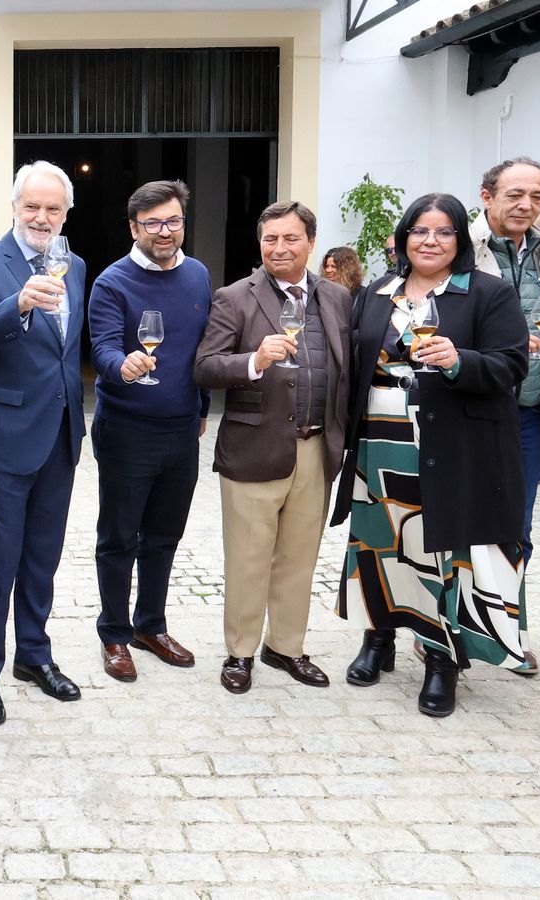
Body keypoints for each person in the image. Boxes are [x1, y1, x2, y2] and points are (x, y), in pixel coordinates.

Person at [331, 192, 529, 718]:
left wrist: (460, 361)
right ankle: (379, 638)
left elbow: (512, 366)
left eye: (444, 232)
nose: (431, 241)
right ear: (403, 238)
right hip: (379, 446)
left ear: (460, 239)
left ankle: (442, 659)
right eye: (420, 231)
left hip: (450, 447)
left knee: (439, 552)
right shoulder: (377, 291)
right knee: (379, 542)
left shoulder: (487, 292)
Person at [194, 201, 351, 693]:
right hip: (254, 447)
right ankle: (240, 651)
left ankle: (285, 646)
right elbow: (205, 366)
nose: (279, 248)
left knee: (299, 558)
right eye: (270, 239)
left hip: (316, 447)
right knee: (248, 558)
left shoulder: (337, 298)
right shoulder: (234, 298)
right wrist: (253, 361)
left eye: (290, 238)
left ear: (311, 242)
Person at [0, 160, 86, 725]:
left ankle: (34, 655)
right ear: (14, 207)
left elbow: (66, 351)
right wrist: (20, 304)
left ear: (65, 214)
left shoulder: (75, 264)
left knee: (42, 558)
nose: (41, 217)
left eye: (53, 208)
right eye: (32, 206)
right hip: (3, 438)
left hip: (59, 434)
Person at [86, 180, 212, 682]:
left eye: (173, 220)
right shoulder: (112, 282)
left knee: (164, 536)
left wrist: (201, 408)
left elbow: (202, 350)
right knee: (119, 537)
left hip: (181, 430)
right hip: (127, 429)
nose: (165, 231)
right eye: (153, 222)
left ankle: (151, 626)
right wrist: (122, 365)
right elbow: (102, 347)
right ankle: (114, 634)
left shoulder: (198, 275)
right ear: (133, 227)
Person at [469, 156, 540, 675]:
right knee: (456, 519)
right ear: (487, 196)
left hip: (527, 411)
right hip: (468, 405)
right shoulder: (459, 246)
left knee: (516, 525)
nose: (527, 205)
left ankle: (508, 631)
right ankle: (445, 629)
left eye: (537, 196)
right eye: (515, 194)